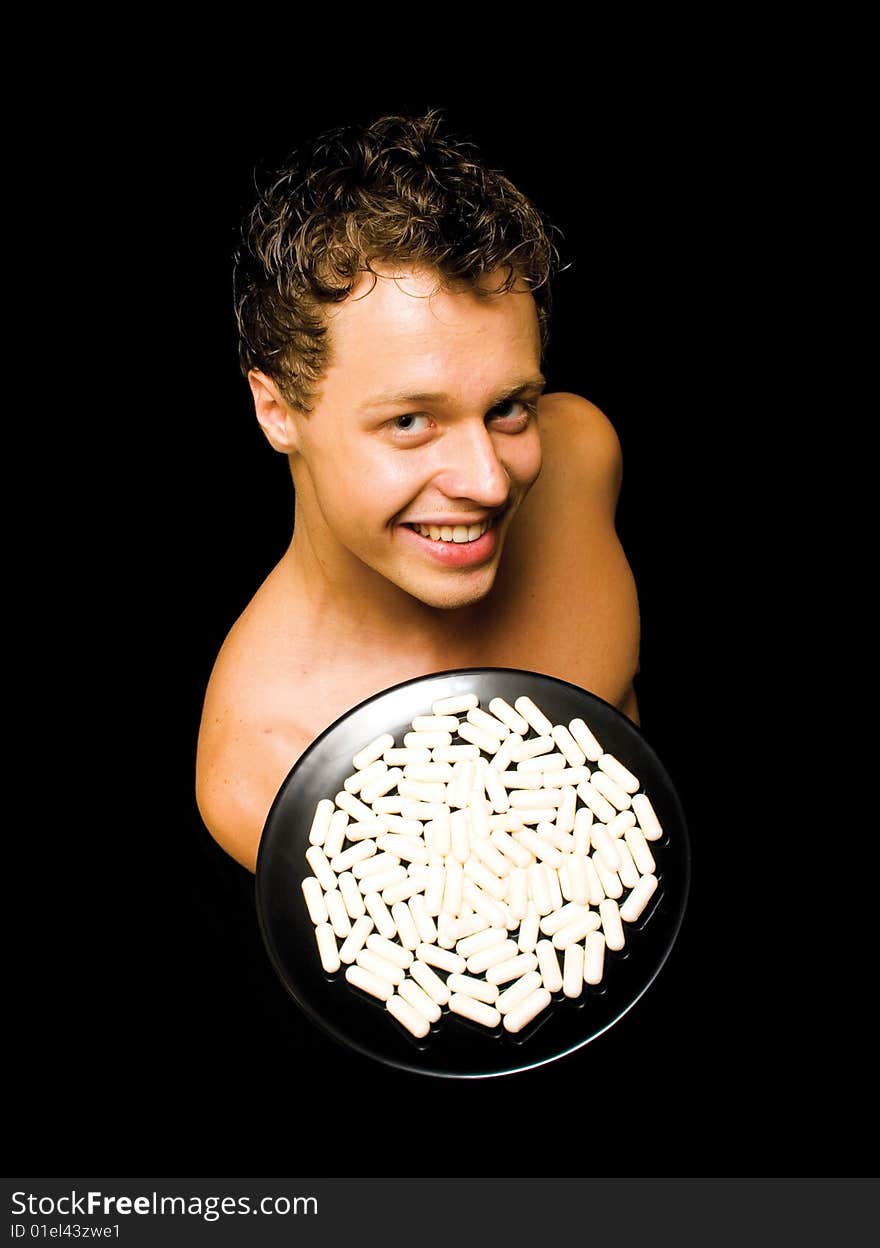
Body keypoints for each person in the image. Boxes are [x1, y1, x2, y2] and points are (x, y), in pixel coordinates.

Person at [196, 108, 641, 873]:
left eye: (507, 407)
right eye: (410, 421)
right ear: (278, 412)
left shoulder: (580, 454)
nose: (489, 481)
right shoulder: (268, 769)